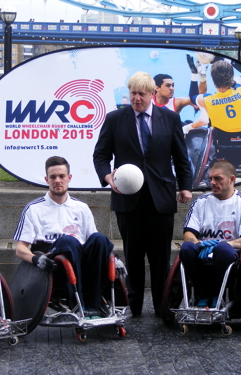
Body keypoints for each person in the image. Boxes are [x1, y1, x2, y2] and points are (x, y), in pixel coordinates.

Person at [93, 71, 193, 317]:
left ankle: (162, 305)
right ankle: (133, 306)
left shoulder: (170, 119)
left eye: (142, 94)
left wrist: (185, 186)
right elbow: (101, 155)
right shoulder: (115, 119)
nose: (136, 98)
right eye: (133, 93)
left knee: (160, 258)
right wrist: (108, 177)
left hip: (161, 198)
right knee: (133, 255)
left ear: (152, 94)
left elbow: (181, 157)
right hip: (128, 200)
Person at [13, 156, 117, 316]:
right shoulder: (34, 209)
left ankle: (93, 305)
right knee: (68, 241)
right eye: (53, 177)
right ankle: (77, 305)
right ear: (46, 179)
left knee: (100, 238)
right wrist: (36, 259)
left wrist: (115, 260)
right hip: (54, 266)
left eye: (62, 176)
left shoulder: (81, 208)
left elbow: (96, 244)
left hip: (84, 265)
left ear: (69, 178)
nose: (57, 180)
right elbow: (20, 249)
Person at [179, 160, 241, 307]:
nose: (212, 182)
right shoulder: (200, 202)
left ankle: (217, 295)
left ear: (232, 179)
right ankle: (202, 295)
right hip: (202, 253)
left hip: (229, 258)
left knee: (222, 249)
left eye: (218, 178)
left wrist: (221, 244)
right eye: (210, 179)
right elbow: (188, 234)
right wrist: (199, 244)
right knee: (186, 248)